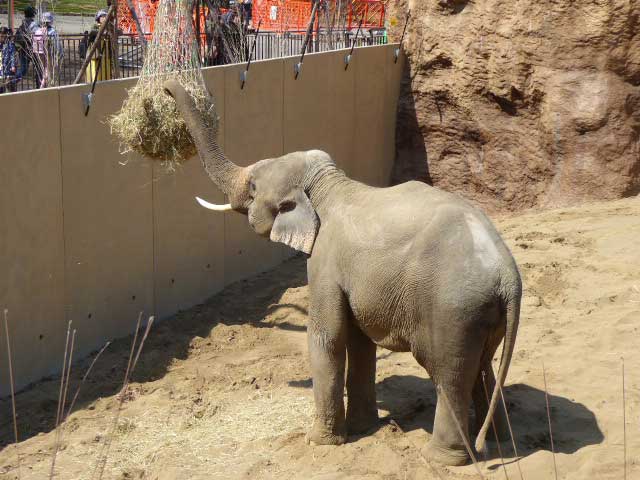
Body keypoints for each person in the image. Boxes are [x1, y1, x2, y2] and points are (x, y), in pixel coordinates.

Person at [33, 11, 63, 88]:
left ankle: (42, 85)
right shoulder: (52, 32)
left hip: (38, 53)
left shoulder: (37, 31)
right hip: (48, 53)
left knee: (44, 70)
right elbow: (57, 46)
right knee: (48, 71)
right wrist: (59, 54)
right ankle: (42, 87)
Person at [85, 9, 112, 82]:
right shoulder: (95, 26)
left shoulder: (109, 26)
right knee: (95, 72)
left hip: (106, 55)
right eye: (102, 16)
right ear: (98, 18)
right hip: (96, 53)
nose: (104, 18)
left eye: (105, 16)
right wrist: (102, 32)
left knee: (105, 73)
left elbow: (120, 31)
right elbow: (91, 32)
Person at [15, 6, 38, 80]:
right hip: (32, 49)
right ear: (33, 14)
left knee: (23, 69)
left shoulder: (23, 23)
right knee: (39, 67)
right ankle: (40, 84)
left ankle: (13, 81)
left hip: (22, 48)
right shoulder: (34, 24)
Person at [0, 27, 18, 93]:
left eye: (2, 35)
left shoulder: (9, 44)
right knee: (1, 85)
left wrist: (13, 65)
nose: (1, 37)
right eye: (0, 35)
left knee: (10, 85)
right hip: (1, 66)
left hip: (7, 66)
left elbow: (12, 55)